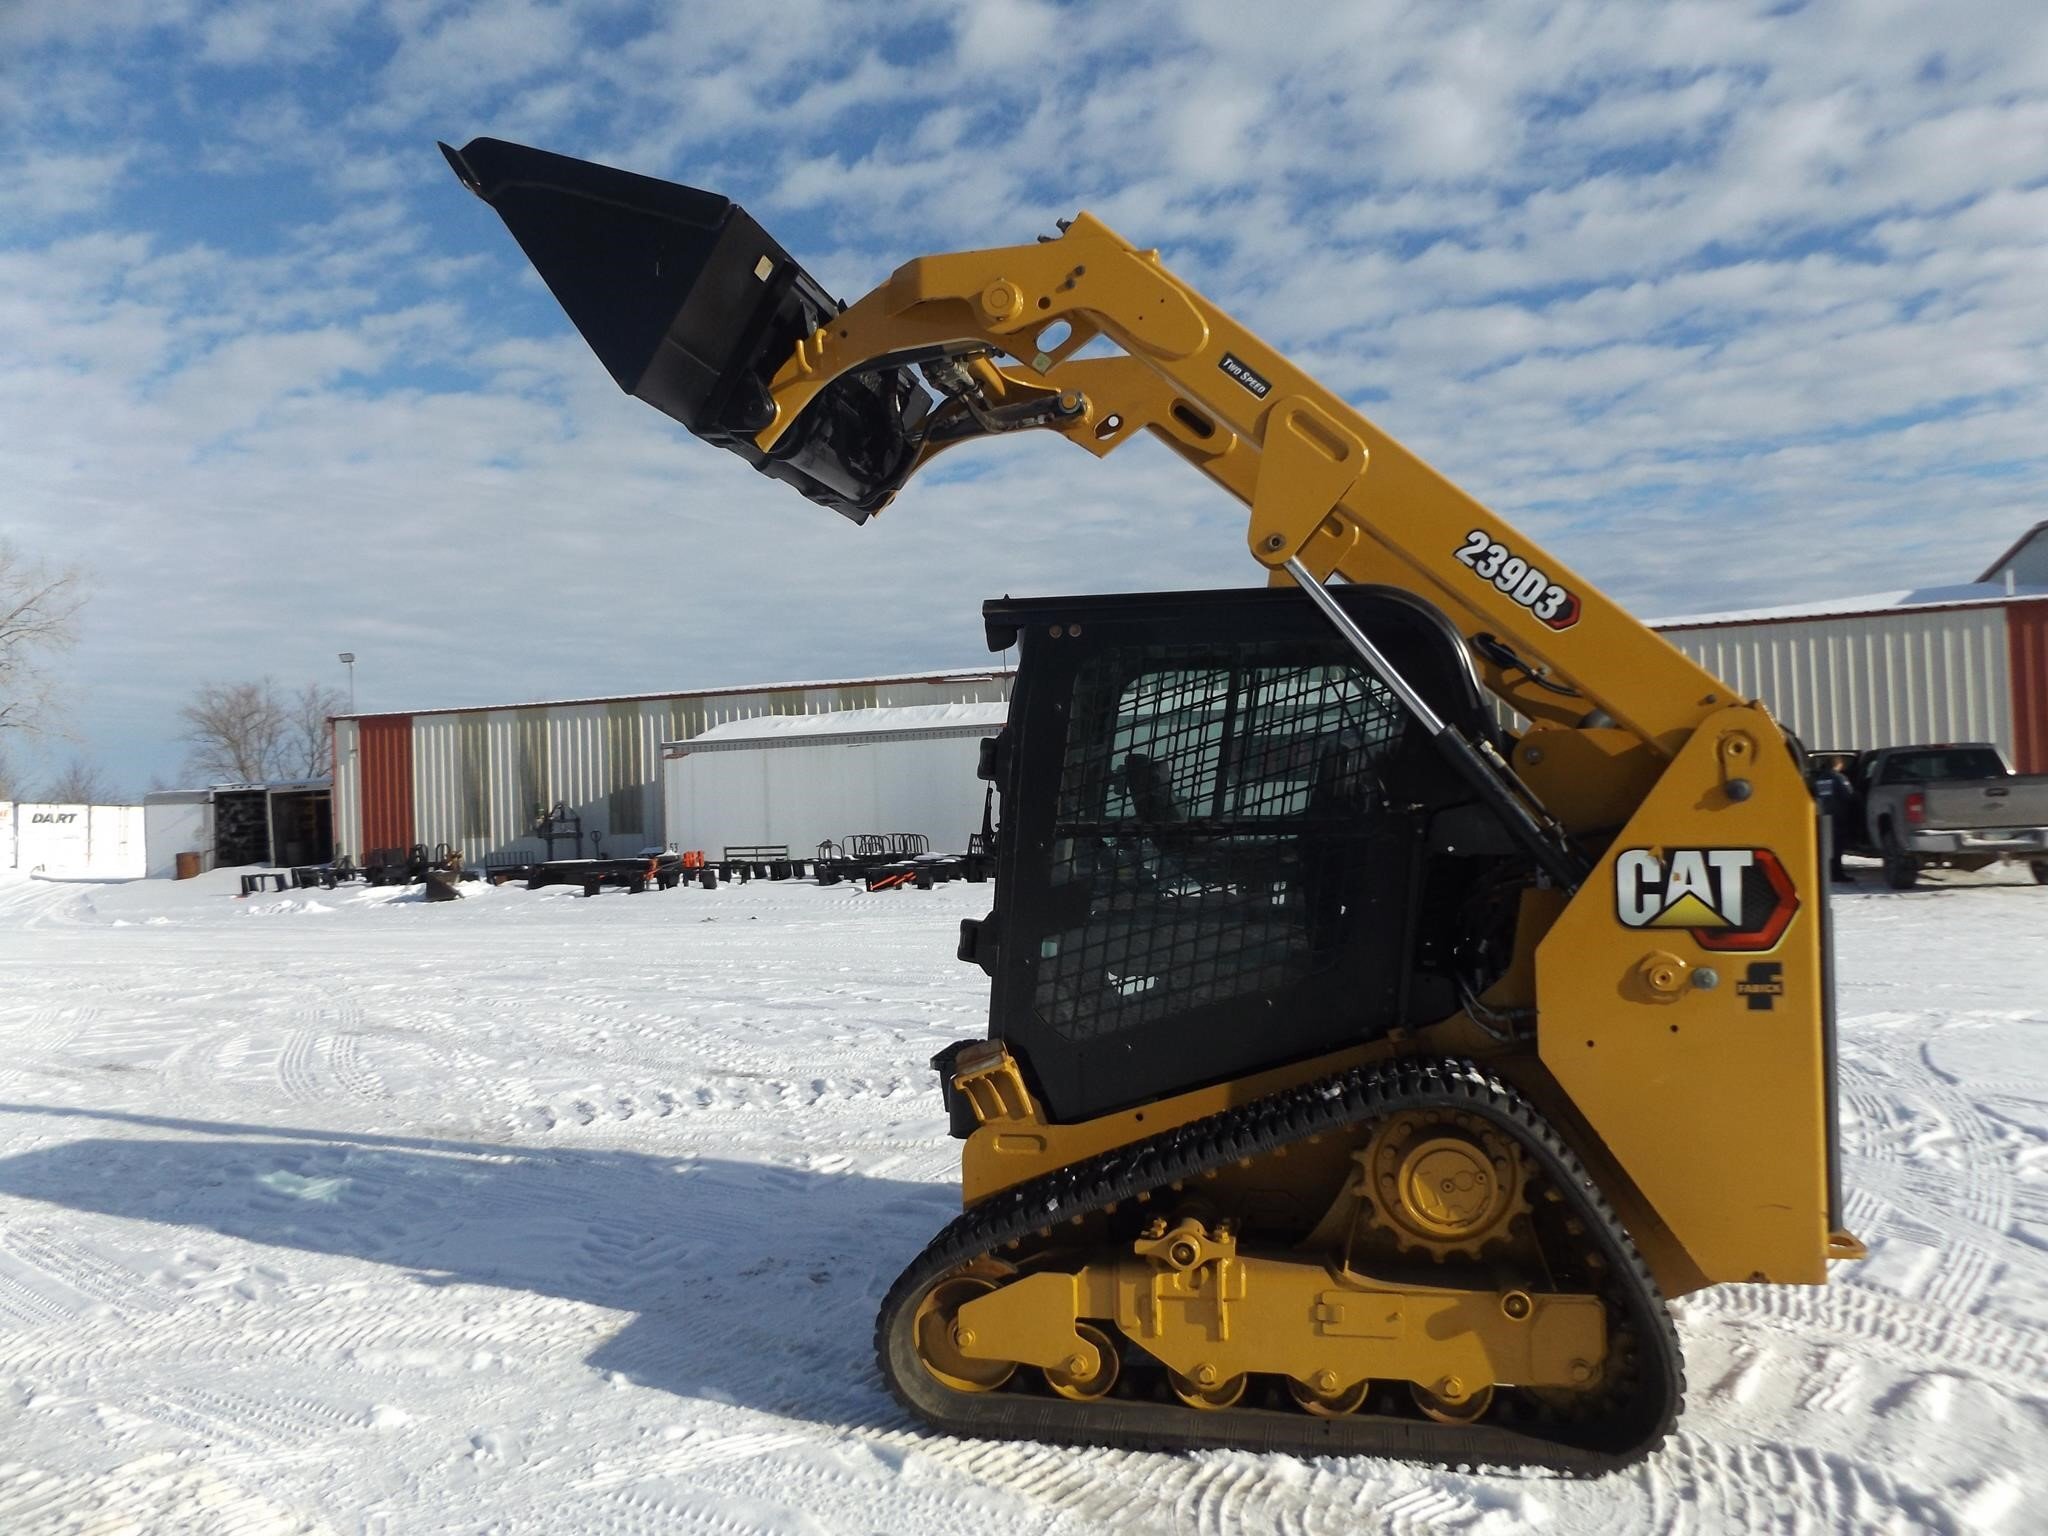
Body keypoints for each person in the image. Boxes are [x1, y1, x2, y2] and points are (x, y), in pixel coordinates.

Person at [1812, 755, 1856, 882]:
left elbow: (1817, 796)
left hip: (1824, 816)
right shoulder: (1839, 777)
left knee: (1827, 846)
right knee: (1837, 847)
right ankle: (1837, 873)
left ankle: (1827, 872)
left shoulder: (1820, 779)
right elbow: (1848, 795)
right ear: (1839, 765)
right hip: (1838, 816)